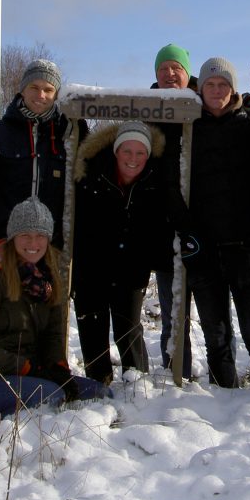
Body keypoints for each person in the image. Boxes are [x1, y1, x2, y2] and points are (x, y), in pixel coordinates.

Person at [0, 197, 109, 421]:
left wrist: (57, 368)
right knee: (51, 396)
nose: (33, 243)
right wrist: (27, 368)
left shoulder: (49, 277)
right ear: (13, 237)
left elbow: (53, 334)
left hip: (34, 374)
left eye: (40, 236)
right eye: (25, 235)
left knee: (101, 394)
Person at [184, 57, 250, 388]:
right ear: (200, 89)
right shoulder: (188, 126)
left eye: (223, 84)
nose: (216, 90)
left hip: (245, 246)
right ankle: (223, 397)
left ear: (234, 88)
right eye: (210, 85)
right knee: (216, 334)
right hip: (203, 247)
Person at [72, 120, 183, 384]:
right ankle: (97, 384)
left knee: (128, 327)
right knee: (92, 325)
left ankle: (136, 384)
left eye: (140, 153)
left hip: (131, 266)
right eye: (127, 151)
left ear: (148, 155)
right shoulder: (92, 173)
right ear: (115, 151)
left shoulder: (152, 181)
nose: (133, 159)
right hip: (91, 263)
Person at [0, 59, 73, 268]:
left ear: (56, 94)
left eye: (48, 90)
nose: (41, 95)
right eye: (34, 87)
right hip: (1, 248)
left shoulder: (66, 136)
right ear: (23, 89)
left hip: (50, 251)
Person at [150, 43, 198, 377]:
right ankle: (175, 369)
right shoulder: (144, 107)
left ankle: (225, 382)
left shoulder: (203, 105)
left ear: (186, 73)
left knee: (214, 311)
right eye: (163, 69)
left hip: (205, 225)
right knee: (172, 308)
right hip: (164, 226)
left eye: (175, 68)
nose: (169, 74)